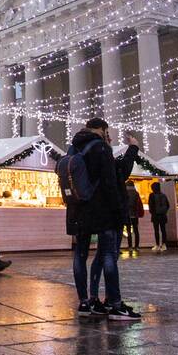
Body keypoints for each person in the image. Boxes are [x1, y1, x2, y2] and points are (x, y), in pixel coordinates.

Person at [67, 118, 141, 320]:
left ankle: (86, 302)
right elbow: (112, 180)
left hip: (79, 210)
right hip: (102, 210)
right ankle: (115, 304)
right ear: (102, 129)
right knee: (108, 255)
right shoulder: (100, 148)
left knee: (80, 256)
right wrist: (118, 210)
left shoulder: (73, 148)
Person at [147, 181, 170, 252]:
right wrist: (164, 212)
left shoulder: (151, 195)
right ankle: (164, 245)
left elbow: (150, 206)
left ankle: (157, 245)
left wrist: (152, 212)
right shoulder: (163, 195)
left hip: (155, 216)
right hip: (163, 215)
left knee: (156, 230)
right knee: (163, 230)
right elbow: (168, 205)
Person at [123, 181, 143, 250]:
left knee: (128, 231)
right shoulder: (136, 193)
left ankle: (130, 246)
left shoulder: (125, 193)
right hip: (135, 214)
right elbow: (139, 204)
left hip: (127, 215)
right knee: (136, 230)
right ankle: (137, 246)